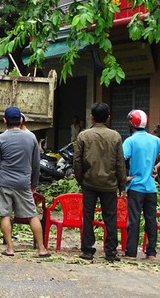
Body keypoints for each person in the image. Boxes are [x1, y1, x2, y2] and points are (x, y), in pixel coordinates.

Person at [0, 106, 50, 257]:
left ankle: (10, 248)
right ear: (21, 120)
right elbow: (36, 163)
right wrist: (34, 183)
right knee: (32, 214)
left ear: (4, 121)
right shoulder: (31, 138)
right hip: (23, 182)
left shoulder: (0, 139)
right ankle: (42, 249)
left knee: (5, 214)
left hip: (4, 182)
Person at [73, 102, 126, 261]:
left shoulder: (83, 135)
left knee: (88, 216)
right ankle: (110, 252)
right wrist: (122, 185)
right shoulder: (115, 136)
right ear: (108, 118)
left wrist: (80, 179)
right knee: (110, 217)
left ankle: (87, 250)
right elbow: (119, 163)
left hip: (89, 182)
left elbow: (77, 161)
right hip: (109, 184)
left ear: (92, 117)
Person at [122, 109, 160, 260]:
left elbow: (120, 159)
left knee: (134, 219)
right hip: (151, 187)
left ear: (131, 123)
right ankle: (151, 253)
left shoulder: (130, 141)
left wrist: (124, 178)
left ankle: (131, 253)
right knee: (151, 219)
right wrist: (156, 167)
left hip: (136, 186)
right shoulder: (155, 140)